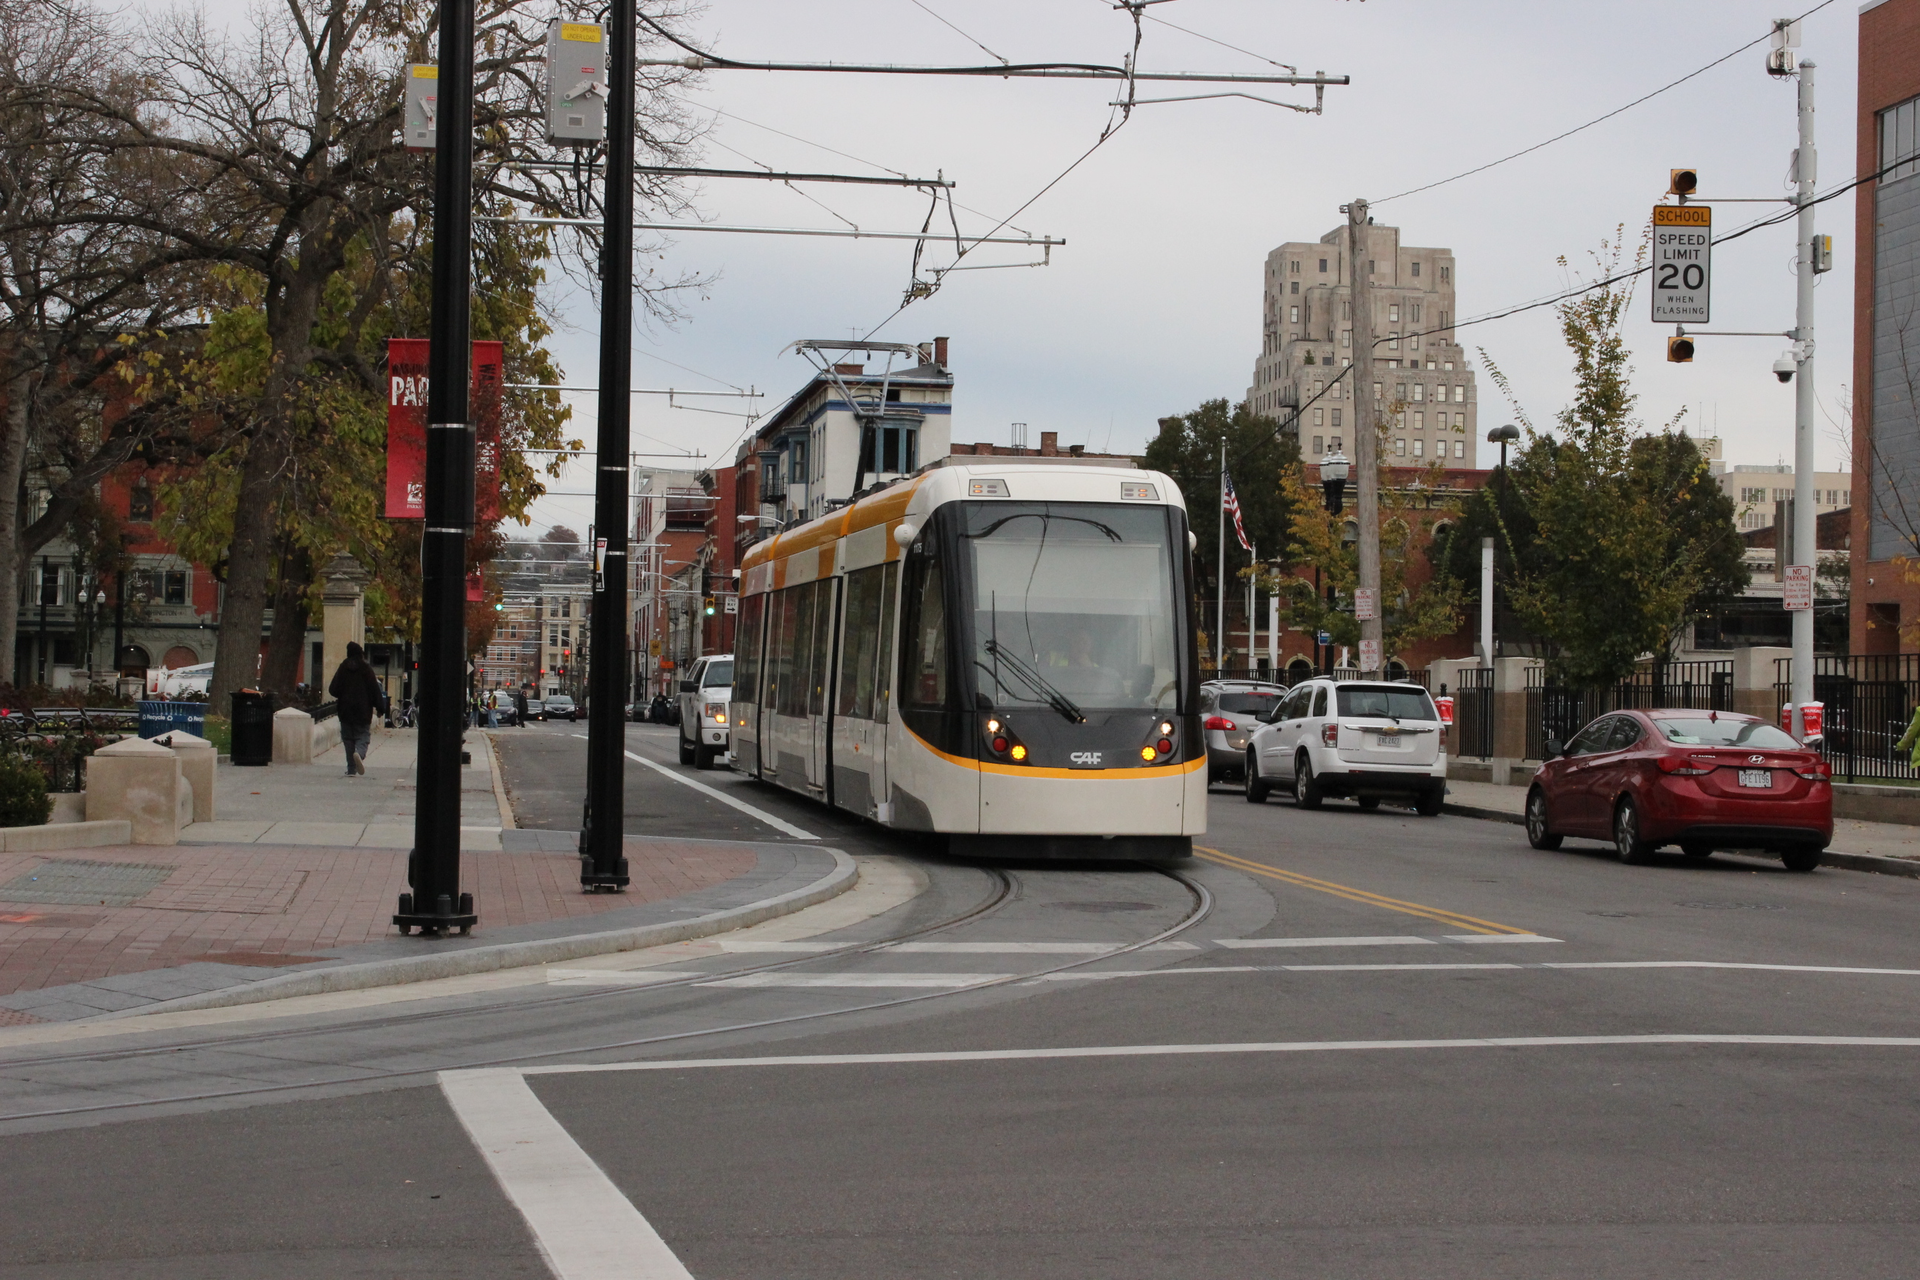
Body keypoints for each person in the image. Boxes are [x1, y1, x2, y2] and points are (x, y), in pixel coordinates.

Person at [328, 641, 387, 777]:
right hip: (363, 711)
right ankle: (359, 753)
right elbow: (374, 690)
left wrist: (344, 693)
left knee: (348, 739)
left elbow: (333, 689)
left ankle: (351, 769)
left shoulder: (343, 667)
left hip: (345, 710)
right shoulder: (366, 669)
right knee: (363, 736)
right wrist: (380, 708)